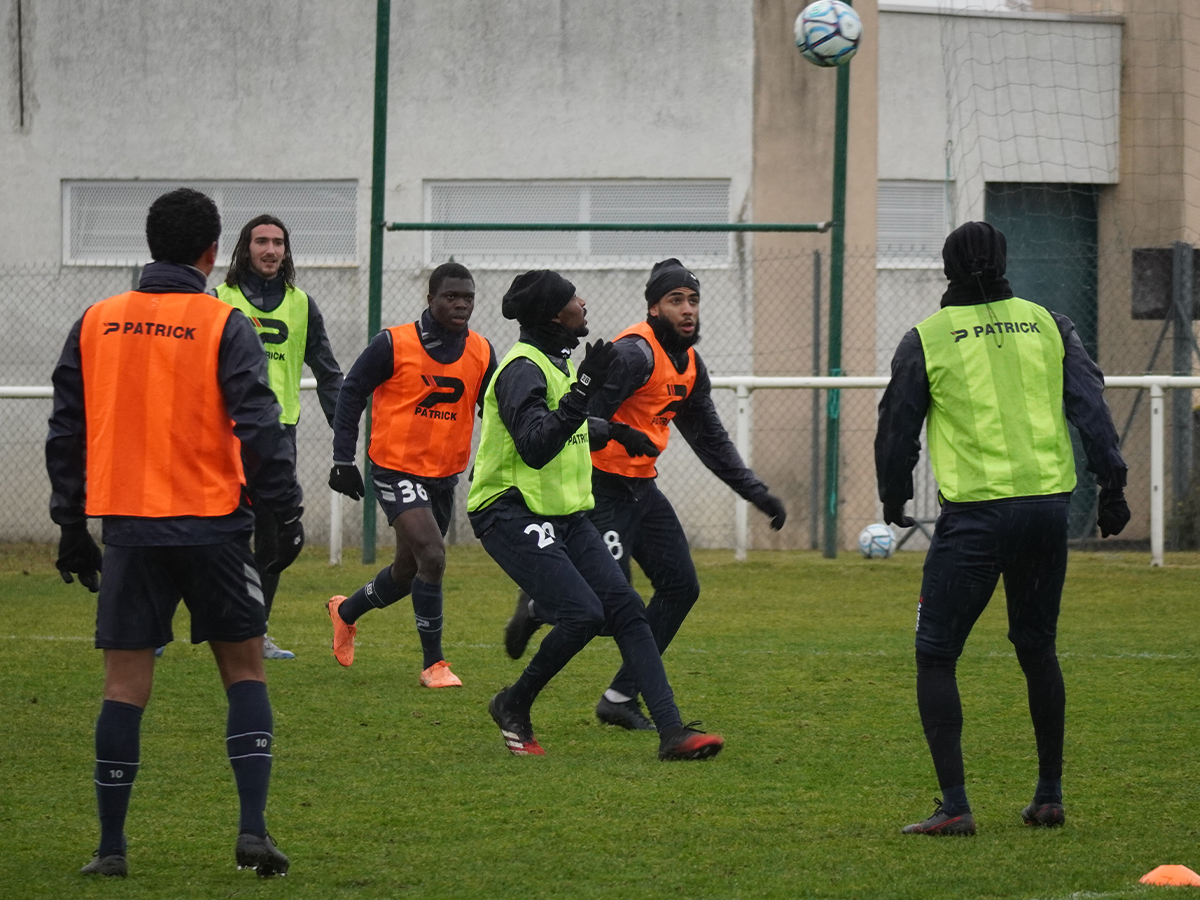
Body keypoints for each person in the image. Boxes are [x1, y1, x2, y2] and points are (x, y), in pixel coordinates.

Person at [47, 188, 303, 877]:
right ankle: (253, 832)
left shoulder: (97, 320)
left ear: (151, 244)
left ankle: (110, 849)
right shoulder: (224, 323)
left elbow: (67, 428)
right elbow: (259, 424)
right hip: (214, 525)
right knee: (244, 671)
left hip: (130, 530)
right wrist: (284, 511)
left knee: (123, 687)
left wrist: (71, 522)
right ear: (213, 252)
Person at [875, 221, 1130, 836]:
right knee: (1037, 647)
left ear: (946, 268)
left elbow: (897, 426)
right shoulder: (1050, 324)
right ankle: (1048, 796)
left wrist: (894, 492)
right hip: (1046, 512)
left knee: (936, 655)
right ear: (1005, 260)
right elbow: (1091, 406)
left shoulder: (928, 337)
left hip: (977, 517)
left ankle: (956, 807)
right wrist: (1113, 485)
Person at [503, 258, 787, 731]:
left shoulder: (690, 365)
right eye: (676, 300)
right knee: (609, 610)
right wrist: (616, 435)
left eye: (693, 300)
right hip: (599, 488)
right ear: (654, 307)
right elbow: (577, 417)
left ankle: (620, 697)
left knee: (681, 586)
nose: (688, 309)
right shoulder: (634, 354)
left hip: (641, 488)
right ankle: (538, 605)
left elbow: (710, 439)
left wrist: (756, 493)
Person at [467, 269, 724, 761]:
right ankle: (513, 702)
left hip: (562, 513)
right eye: (572, 298)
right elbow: (536, 445)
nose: (582, 302)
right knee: (584, 613)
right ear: (553, 314)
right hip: (508, 511)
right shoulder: (522, 369)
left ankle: (672, 732)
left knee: (626, 609)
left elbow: (570, 422)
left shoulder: (557, 363)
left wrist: (616, 431)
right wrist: (584, 391)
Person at [325, 262, 496, 688]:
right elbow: (352, 391)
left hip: (443, 476)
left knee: (407, 572)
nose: (461, 304)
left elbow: (494, 411)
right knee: (433, 556)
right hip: (395, 469)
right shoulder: (393, 343)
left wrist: (490, 459)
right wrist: (343, 458)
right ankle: (434, 665)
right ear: (431, 299)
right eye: (451, 296)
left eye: (468, 297)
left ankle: (345, 612)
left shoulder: (481, 350)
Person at [214, 214, 344, 660]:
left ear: (286, 251)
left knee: (270, 540)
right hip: (223, 435)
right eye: (261, 241)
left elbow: (328, 373)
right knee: (203, 529)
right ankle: (157, 629)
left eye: (278, 242)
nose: (270, 250)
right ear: (244, 248)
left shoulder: (301, 305)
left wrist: (344, 433)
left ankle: (256, 632)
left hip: (276, 437)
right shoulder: (220, 300)